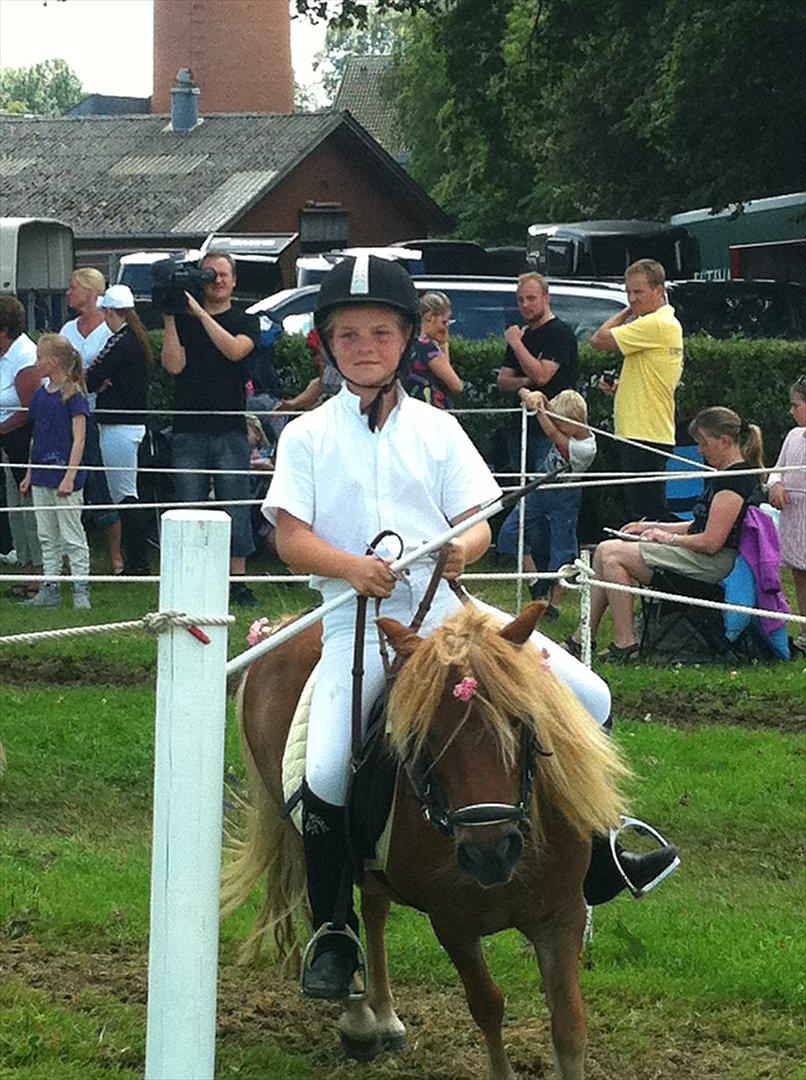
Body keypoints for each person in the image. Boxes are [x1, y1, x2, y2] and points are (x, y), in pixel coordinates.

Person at [261, 255, 678, 1001]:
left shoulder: (438, 429)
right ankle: (334, 927)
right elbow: (291, 539)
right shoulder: (307, 438)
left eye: (380, 332)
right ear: (328, 343)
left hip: (457, 618)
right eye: (348, 334)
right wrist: (350, 567)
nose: (364, 345)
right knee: (323, 771)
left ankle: (604, 846)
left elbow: (479, 525)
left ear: (404, 341)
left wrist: (462, 547)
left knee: (590, 694)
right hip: (358, 628)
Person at [564, 407, 763, 663]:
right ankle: (584, 638)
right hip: (702, 557)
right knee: (605, 550)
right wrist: (650, 527)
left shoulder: (733, 484)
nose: (700, 450)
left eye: (703, 443)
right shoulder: (725, 478)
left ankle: (624, 643)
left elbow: (710, 542)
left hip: (712, 565)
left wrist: (667, 539)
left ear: (724, 441)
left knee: (612, 555)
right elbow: (699, 524)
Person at [161, 250, 262, 607]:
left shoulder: (246, 320)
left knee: (235, 501)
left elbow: (235, 351)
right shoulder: (185, 321)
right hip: (188, 424)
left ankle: (237, 579)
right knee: (188, 502)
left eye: (223, 274)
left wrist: (200, 313)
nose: (217, 281)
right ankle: (189, 575)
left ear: (234, 280)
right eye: (209, 275)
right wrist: (172, 316)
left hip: (229, 426)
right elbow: (173, 366)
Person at [590, 258, 684, 522]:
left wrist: (626, 312)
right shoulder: (661, 324)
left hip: (645, 431)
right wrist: (622, 388)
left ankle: (691, 547)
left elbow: (598, 340)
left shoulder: (656, 324)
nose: (632, 298)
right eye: (628, 292)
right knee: (642, 511)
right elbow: (652, 376)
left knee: (649, 515)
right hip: (642, 428)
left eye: (638, 292)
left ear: (659, 290)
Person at [497, 388, 596, 619]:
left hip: (565, 495)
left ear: (573, 424)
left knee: (561, 549)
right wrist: (535, 394)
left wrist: (540, 408)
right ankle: (537, 587)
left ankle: (554, 605)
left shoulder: (584, 448)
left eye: (562, 423)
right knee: (510, 532)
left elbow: (552, 431)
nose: (558, 424)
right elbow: (532, 398)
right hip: (540, 487)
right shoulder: (567, 423)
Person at [19, 335, 91, 610]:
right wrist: (28, 473)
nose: (36, 363)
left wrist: (70, 476)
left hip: (65, 477)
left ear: (55, 361)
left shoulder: (74, 395)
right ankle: (50, 588)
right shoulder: (40, 396)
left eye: (40, 358)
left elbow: (79, 438)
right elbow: (36, 437)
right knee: (47, 535)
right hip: (41, 476)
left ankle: (81, 589)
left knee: (72, 534)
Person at [86, 284, 151, 574]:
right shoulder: (133, 339)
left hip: (119, 426)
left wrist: (99, 383)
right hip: (127, 425)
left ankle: (138, 562)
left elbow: (92, 376)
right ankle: (137, 560)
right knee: (125, 492)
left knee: (124, 495)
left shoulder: (120, 342)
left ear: (111, 311)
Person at [60, 268, 121, 573]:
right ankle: (69, 554)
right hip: (71, 415)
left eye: (74, 288)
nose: (69, 293)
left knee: (101, 484)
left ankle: (115, 555)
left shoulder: (110, 329)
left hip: (100, 415)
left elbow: (114, 369)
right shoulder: (67, 331)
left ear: (89, 291)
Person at [498, 273, 579, 475]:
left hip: (553, 429)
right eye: (520, 299)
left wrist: (517, 345)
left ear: (546, 297)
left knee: (553, 490)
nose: (525, 304)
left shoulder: (560, 332)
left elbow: (542, 376)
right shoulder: (521, 334)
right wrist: (527, 380)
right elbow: (503, 381)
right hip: (521, 426)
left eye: (531, 298)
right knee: (522, 490)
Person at [0, 297, 42, 597]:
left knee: (29, 509)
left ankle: (39, 575)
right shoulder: (4, 355)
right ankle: (26, 569)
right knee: (16, 509)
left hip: (24, 442)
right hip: (7, 442)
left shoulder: (25, 356)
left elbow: (30, 410)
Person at [768, 378, 806, 652]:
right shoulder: (793, 437)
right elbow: (777, 469)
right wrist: (776, 484)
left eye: (796, 405)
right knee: (800, 576)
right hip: (795, 518)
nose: (792, 411)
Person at [403, 290, 463, 408]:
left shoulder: (407, 343)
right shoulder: (428, 348)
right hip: (431, 411)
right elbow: (456, 385)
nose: (445, 328)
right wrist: (444, 345)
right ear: (430, 317)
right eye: (444, 322)